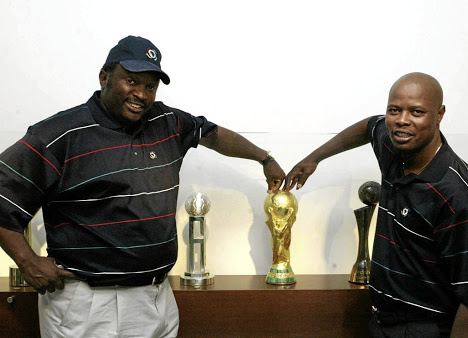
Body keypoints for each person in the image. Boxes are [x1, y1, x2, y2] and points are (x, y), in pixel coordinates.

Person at [0, 35, 285, 338]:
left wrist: (264, 158)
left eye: (150, 86)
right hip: (87, 305)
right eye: (131, 81)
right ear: (104, 77)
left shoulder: (167, 121)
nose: (141, 94)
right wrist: (27, 261)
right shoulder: (60, 134)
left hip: (156, 296)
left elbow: (210, 133)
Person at [284, 72, 468, 337]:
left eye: (417, 112)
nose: (402, 120)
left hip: (428, 330)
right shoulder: (394, 149)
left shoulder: (459, 198)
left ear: (439, 114)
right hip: (382, 323)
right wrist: (314, 158)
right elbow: (369, 126)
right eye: (394, 110)